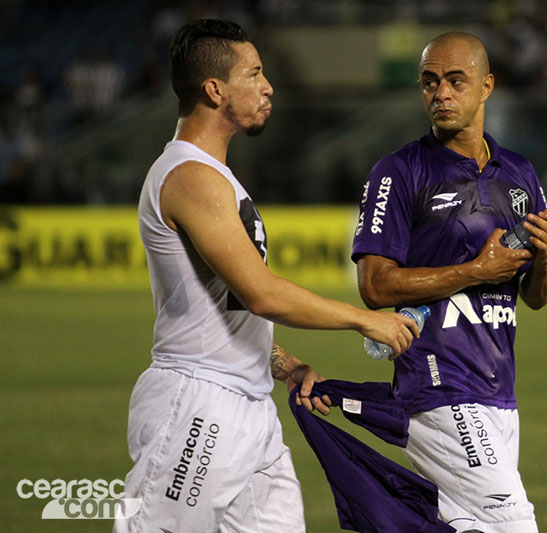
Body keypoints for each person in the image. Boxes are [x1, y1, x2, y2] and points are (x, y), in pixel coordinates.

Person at [115, 19, 418, 533]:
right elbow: (260, 292)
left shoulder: (216, 177)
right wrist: (366, 321)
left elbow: (222, 301)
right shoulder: (190, 177)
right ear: (215, 90)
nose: (267, 85)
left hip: (248, 406)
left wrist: (278, 361)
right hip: (199, 404)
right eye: (253, 73)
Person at [351, 32, 547, 533]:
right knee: (513, 525)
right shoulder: (397, 173)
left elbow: (535, 296)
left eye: (454, 80)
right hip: (438, 383)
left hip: (499, 390)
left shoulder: (520, 173)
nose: (440, 93)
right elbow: (375, 286)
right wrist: (474, 272)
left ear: (486, 86)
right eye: (429, 82)